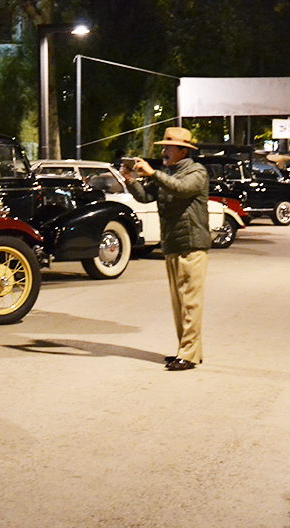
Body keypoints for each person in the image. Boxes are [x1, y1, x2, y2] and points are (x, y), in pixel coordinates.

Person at [120, 127, 211, 371]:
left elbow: (181, 189)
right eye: (163, 147)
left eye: (168, 147)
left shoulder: (197, 172)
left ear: (183, 150)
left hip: (192, 244)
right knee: (179, 302)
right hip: (172, 243)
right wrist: (130, 179)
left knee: (191, 302)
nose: (163, 151)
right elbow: (145, 197)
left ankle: (188, 355)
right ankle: (189, 350)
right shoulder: (165, 173)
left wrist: (153, 174)